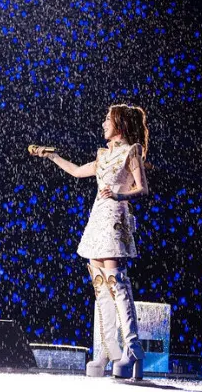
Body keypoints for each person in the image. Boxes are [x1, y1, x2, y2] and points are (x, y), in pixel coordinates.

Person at [30, 104, 150, 379]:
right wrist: (53, 156)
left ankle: (133, 349)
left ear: (119, 123)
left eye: (108, 119)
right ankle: (109, 349)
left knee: (117, 285)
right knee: (101, 288)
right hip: (97, 220)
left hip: (115, 220)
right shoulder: (103, 156)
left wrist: (120, 195)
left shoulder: (131, 152)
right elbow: (76, 171)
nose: (104, 123)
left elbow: (143, 188)